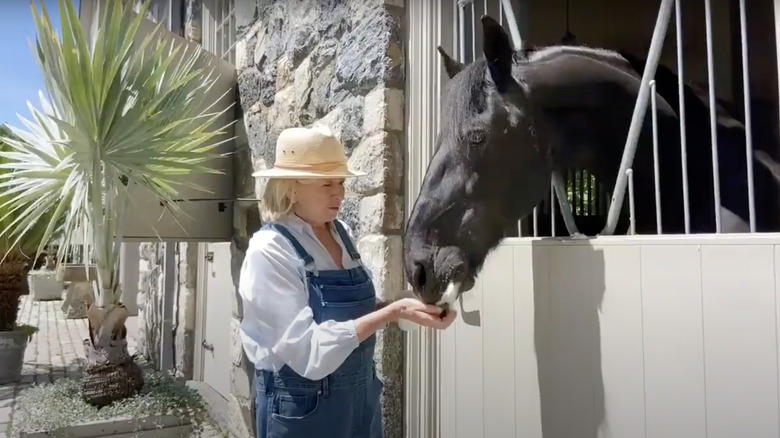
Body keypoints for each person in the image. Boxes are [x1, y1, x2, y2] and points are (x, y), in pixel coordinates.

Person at [239, 124, 457, 438]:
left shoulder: (341, 233)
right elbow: (308, 353)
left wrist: (404, 305)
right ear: (290, 188)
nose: (339, 193)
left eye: (341, 182)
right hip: (304, 411)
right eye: (326, 183)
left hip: (360, 400)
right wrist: (390, 314)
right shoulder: (270, 251)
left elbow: (351, 316)